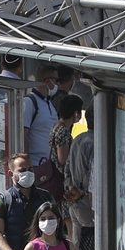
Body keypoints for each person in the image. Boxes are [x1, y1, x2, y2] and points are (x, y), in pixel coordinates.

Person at [64, 107, 95, 250]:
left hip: (74, 202)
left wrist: (70, 188)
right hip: (85, 203)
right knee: (89, 246)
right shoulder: (95, 142)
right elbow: (92, 172)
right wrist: (81, 190)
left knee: (77, 245)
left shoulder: (78, 139)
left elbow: (66, 167)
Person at [48, 95, 80, 228]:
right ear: (75, 113)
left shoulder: (57, 127)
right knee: (69, 222)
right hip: (62, 181)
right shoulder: (62, 131)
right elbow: (63, 159)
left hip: (59, 179)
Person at [23, 64, 60, 161]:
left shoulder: (49, 103)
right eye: (56, 80)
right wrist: (27, 164)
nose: (58, 85)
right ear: (47, 81)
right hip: (36, 165)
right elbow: (23, 135)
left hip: (49, 166)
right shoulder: (29, 102)